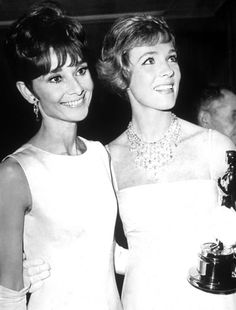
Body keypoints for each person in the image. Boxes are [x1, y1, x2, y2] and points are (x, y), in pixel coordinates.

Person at [26, 14, 236, 310]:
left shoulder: (215, 146)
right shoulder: (104, 158)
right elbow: (99, 250)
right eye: (150, 60)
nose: (168, 71)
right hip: (143, 300)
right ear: (122, 74)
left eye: (171, 57)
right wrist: (36, 264)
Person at [0, 2, 122, 309]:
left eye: (80, 70)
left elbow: (107, 254)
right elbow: (8, 292)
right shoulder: (16, 172)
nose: (77, 87)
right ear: (28, 92)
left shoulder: (100, 155)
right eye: (56, 78)